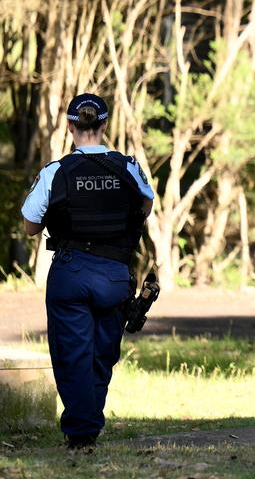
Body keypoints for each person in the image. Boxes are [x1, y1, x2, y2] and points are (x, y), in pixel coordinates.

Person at [20, 93, 154, 450]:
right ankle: (87, 426)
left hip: (71, 272)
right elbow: (146, 206)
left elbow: (30, 226)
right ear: (105, 125)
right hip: (114, 274)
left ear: (70, 126)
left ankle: (81, 433)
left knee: (72, 355)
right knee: (102, 354)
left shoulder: (56, 172)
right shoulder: (127, 167)